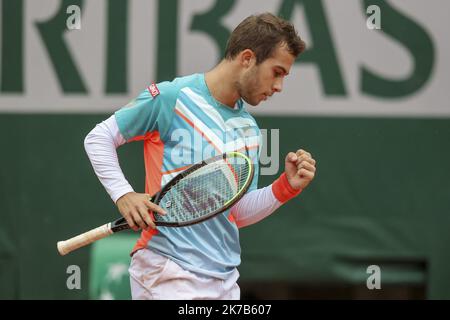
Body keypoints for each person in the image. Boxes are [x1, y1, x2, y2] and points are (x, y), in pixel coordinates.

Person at [84, 12, 316, 300]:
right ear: (247, 58)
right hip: (166, 270)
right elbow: (99, 138)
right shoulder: (173, 97)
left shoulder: (250, 129)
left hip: (225, 281)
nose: (279, 86)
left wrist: (285, 187)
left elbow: (236, 211)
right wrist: (124, 195)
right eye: (277, 72)